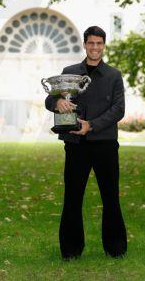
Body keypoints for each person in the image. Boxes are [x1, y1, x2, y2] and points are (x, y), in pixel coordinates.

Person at [45, 26, 127, 260]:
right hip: (75, 145)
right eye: (91, 43)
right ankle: (70, 251)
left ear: (104, 45)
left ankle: (116, 249)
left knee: (110, 196)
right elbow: (50, 98)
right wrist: (57, 102)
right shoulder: (69, 72)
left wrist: (92, 125)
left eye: (99, 43)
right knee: (72, 197)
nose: (95, 47)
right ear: (84, 45)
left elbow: (119, 109)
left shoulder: (114, 75)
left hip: (105, 144)